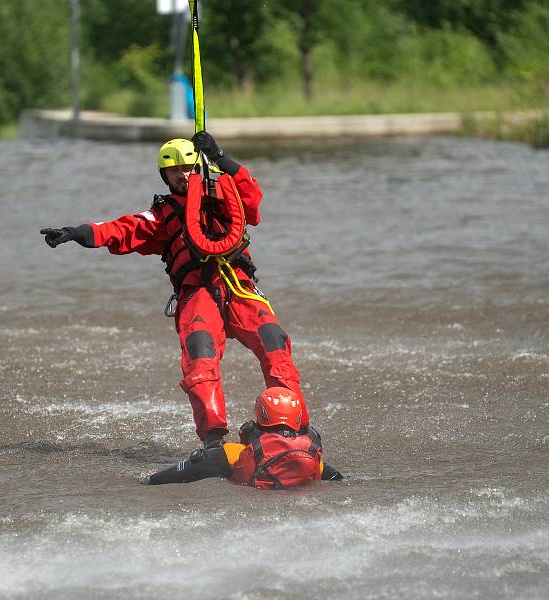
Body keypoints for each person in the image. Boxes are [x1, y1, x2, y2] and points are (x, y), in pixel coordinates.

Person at [41, 131, 310, 448]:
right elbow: (120, 229)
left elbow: (252, 196)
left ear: (199, 167)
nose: (182, 175)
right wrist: (75, 232)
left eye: (187, 167)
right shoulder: (161, 215)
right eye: (174, 171)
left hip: (240, 289)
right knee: (200, 353)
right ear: (165, 176)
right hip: (197, 294)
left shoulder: (225, 197)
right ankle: (214, 438)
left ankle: (293, 427)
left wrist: (220, 156)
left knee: (274, 341)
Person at [141, 387, 343, 488]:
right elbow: (338, 479)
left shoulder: (233, 453)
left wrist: (146, 480)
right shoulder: (313, 456)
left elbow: (169, 476)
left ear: (261, 414)